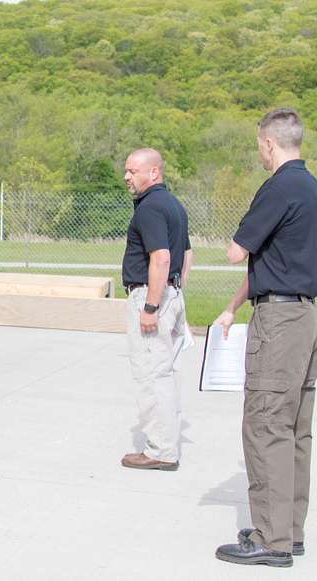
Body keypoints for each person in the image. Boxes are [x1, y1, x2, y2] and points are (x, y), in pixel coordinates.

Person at [214, 109, 317, 568]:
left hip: (278, 325)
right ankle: (290, 529)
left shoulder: (278, 187)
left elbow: (237, 250)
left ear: (268, 143)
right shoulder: (313, 189)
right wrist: (232, 307)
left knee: (265, 427)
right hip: (304, 316)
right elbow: (274, 259)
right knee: (295, 429)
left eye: (259, 145)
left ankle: (271, 538)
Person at [117, 148, 192, 472]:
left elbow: (160, 257)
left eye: (133, 171)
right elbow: (186, 254)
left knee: (150, 375)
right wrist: (175, 292)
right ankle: (165, 444)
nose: (127, 177)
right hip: (170, 293)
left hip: (152, 297)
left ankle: (160, 450)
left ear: (154, 172)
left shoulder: (149, 207)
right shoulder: (173, 205)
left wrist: (151, 305)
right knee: (163, 373)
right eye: (127, 171)